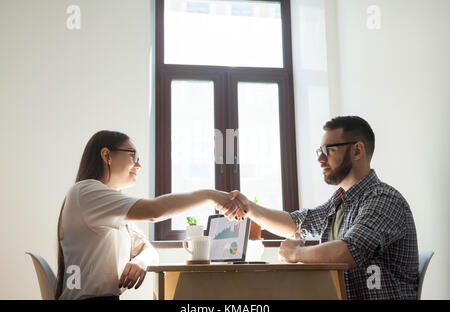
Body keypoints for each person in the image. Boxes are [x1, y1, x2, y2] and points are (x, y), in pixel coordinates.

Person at [217, 116, 419, 300]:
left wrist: (297, 253)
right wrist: (248, 208)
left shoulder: (384, 200)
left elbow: (348, 251)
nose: (320, 159)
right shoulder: (340, 201)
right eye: (319, 151)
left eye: (329, 150)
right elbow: (295, 223)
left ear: (357, 150)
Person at [56, 130, 229, 300]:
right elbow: (154, 211)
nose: (138, 166)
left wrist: (140, 262)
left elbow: (149, 250)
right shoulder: (86, 192)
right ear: (107, 155)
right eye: (133, 156)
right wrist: (208, 195)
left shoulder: (112, 210)